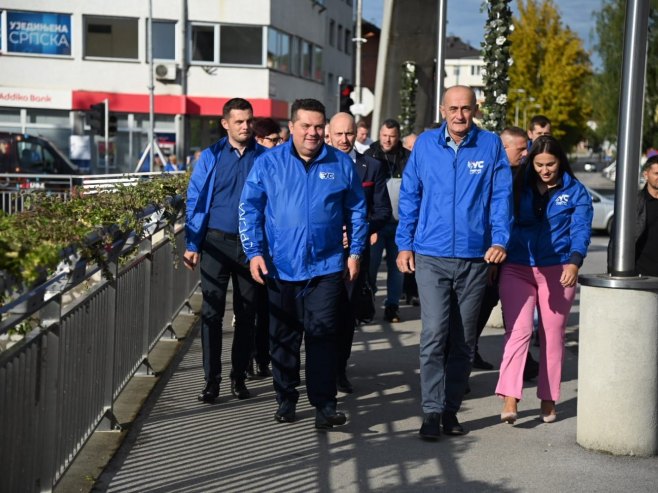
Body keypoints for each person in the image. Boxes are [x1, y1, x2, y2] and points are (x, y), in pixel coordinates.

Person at [239, 99, 367, 430]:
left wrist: (354, 253)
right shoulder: (269, 164)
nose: (313, 132)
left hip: (326, 267)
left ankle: (325, 405)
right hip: (280, 266)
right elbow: (250, 208)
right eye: (306, 126)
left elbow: (356, 211)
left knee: (322, 334)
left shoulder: (339, 164)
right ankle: (286, 396)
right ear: (292, 127)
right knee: (284, 336)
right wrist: (254, 252)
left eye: (318, 126)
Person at [396, 85, 512, 440]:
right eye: (453, 109)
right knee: (433, 334)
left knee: (463, 341)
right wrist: (404, 244)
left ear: (475, 109)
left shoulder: (490, 144)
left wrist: (499, 239)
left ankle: (449, 411)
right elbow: (410, 196)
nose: (460, 115)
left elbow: (501, 195)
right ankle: (430, 412)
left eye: (466, 108)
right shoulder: (427, 146)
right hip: (431, 255)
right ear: (443, 110)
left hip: (475, 258)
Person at [496, 135, 592, 424]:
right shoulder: (516, 187)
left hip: (558, 269)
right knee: (519, 330)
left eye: (550, 164)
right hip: (517, 266)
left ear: (560, 161)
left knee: (552, 336)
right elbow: (501, 221)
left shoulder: (576, 192)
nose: (545, 170)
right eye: (539, 164)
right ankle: (510, 397)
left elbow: (581, 230)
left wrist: (574, 263)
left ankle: (548, 399)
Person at [183, 97, 266, 404]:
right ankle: (211, 381)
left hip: (251, 247)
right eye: (239, 121)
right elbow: (195, 199)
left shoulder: (265, 157)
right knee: (211, 313)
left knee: (247, 315)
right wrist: (192, 243)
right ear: (226, 123)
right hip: (215, 242)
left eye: (249, 121)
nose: (246, 126)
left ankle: (238, 377)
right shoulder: (211, 156)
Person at [328, 112, 392, 394]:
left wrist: (358, 230)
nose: (344, 140)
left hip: (355, 252)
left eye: (349, 134)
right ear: (329, 134)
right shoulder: (315, 163)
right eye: (339, 134)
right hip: (319, 251)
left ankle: (339, 369)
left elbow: (382, 212)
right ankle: (317, 367)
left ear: (356, 134)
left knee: (344, 314)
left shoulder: (372, 167)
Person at [472, 126, 529, 371]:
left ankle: (524, 363)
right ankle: (463, 358)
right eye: (521, 148)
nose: (526, 153)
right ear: (505, 148)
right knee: (479, 309)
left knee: (513, 311)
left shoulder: (525, 175)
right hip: (491, 255)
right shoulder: (490, 174)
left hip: (516, 254)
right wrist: (492, 262)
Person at [365, 119, 411, 322]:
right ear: (379, 134)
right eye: (384, 135)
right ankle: (367, 303)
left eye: (392, 136)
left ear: (398, 136)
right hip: (376, 224)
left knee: (397, 269)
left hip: (399, 225)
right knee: (371, 267)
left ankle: (392, 306)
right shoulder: (370, 155)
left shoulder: (407, 157)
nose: (387, 139)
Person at [607, 154, 658, 277]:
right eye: (656, 173)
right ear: (646, 175)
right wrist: (612, 271)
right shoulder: (632, 204)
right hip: (640, 276)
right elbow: (615, 241)